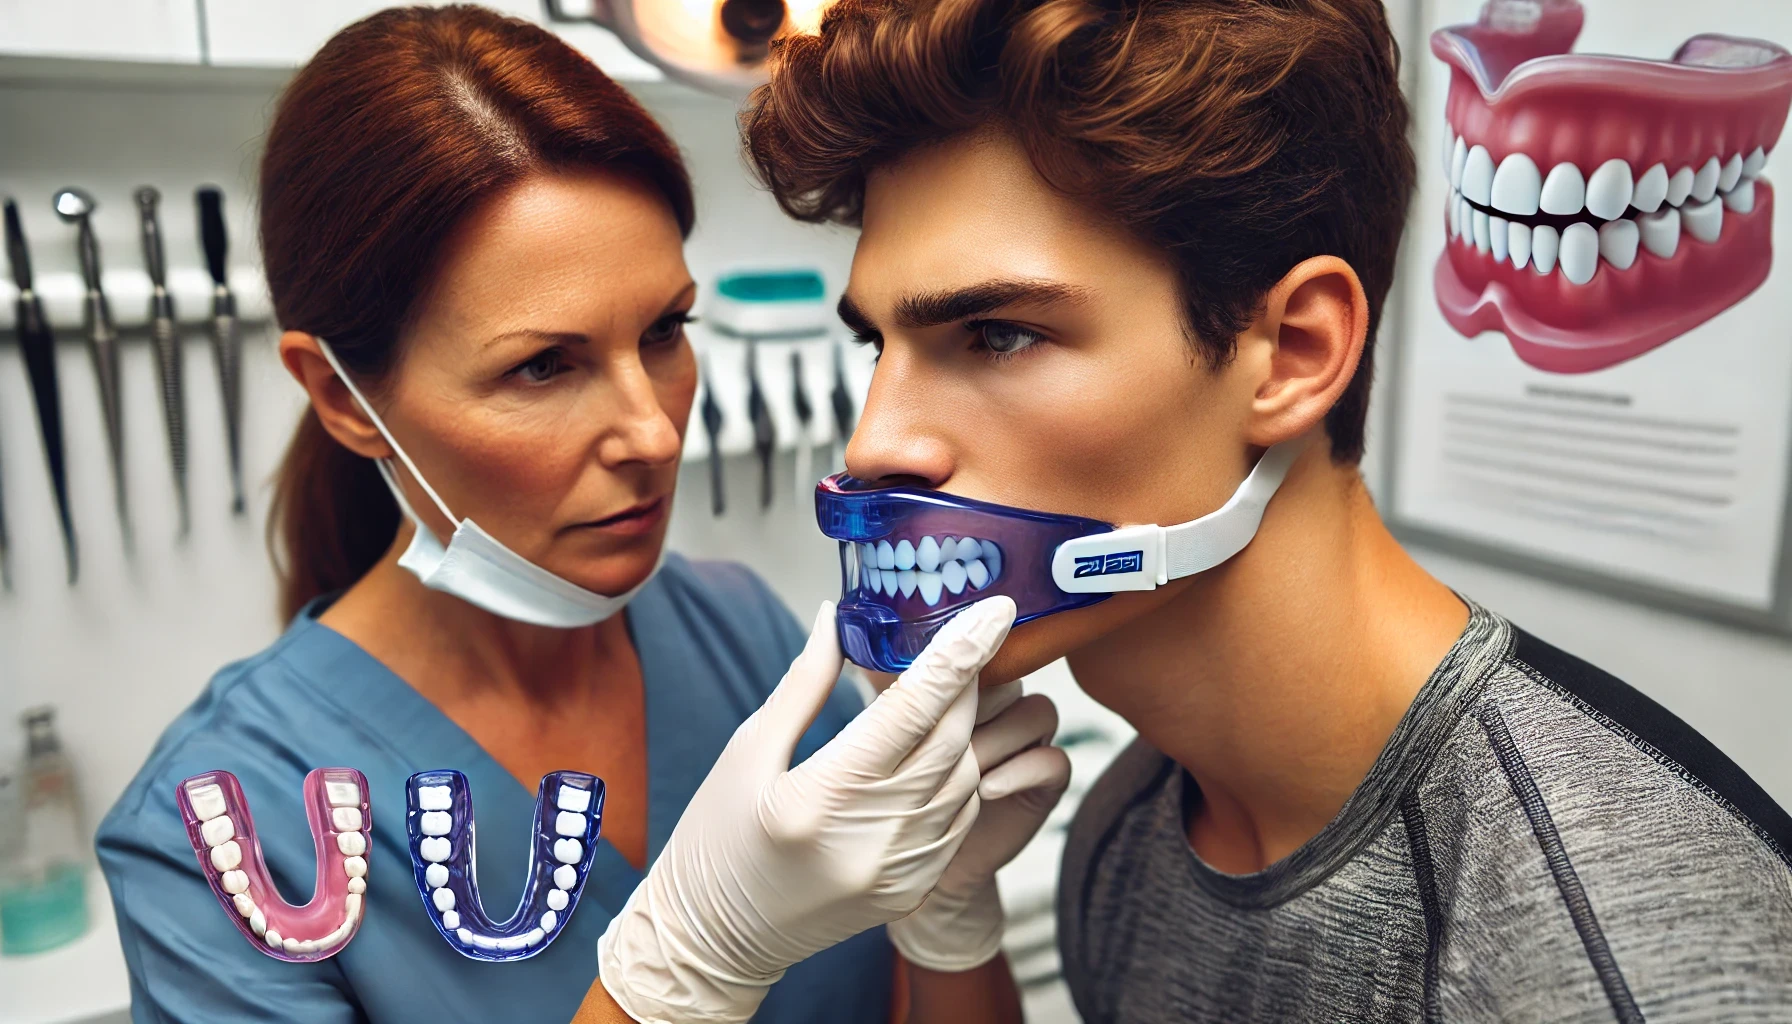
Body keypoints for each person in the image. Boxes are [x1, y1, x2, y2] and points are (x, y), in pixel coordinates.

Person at [740, 0, 1792, 1020]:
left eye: (997, 334)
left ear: (1292, 355)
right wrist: (946, 934)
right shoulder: (1131, 824)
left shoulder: (1612, 962)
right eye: (877, 343)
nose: (873, 444)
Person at [96, 8, 1063, 1024]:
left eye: (663, 332)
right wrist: (682, 967)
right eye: (542, 366)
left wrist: (948, 914)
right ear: (343, 398)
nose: (651, 432)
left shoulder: (743, 637)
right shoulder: (220, 832)